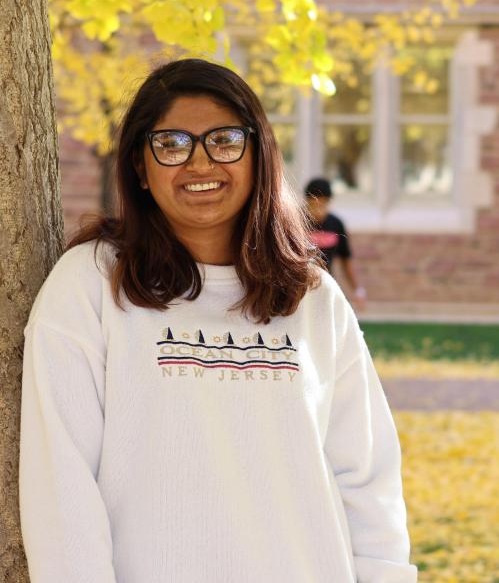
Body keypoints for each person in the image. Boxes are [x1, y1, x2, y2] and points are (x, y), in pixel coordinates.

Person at [19, 59, 417, 583]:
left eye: (225, 140)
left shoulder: (313, 298)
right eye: (172, 144)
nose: (200, 163)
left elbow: (367, 480)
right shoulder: (91, 284)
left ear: (258, 155)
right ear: (140, 166)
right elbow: (61, 484)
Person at [304, 177, 366, 309]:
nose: (318, 210)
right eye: (314, 205)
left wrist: (357, 290)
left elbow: (345, 260)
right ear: (307, 201)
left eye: (322, 204)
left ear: (328, 202)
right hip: (299, 289)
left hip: (326, 287)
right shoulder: (295, 222)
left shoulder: (336, 224)